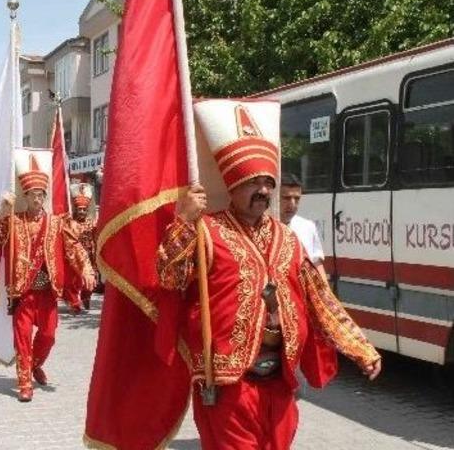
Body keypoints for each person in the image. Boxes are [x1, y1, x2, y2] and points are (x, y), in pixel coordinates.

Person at [155, 102, 381, 449]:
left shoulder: (287, 239)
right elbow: (169, 280)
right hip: (228, 386)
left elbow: (320, 299)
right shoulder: (206, 231)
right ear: (231, 185)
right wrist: (183, 222)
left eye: (267, 182)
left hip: (280, 382)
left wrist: (360, 347)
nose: (262, 190)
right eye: (251, 182)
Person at [0, 155, 96, 402]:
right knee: (22, 339)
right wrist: (2, 209)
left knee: (49, 335)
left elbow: (73, 248)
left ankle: (35, 364)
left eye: (41, 194)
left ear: (45, 197)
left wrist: (86, 268)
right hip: (23, 293)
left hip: (47, 292)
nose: (37, 198)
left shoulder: (56, 223)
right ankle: (24, 383)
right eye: (32, 194)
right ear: (25, 195)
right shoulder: (13, 220)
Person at [280, 173, 326, 278]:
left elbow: (316, 264)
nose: (292, 204)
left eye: (297, 199)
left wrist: (326, 292)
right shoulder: (262, 227)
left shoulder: (308, 227)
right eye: (286, 198)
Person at [68, 183, 98, 310]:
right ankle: (74, 302)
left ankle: (86, 297)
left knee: (89, 279)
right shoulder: (70, 223)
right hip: (74, 256)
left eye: (84, 210)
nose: (81, 212)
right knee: (74, 280)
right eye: (79, 209)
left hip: (89, 256)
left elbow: (96, 236)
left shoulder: (91, 223)